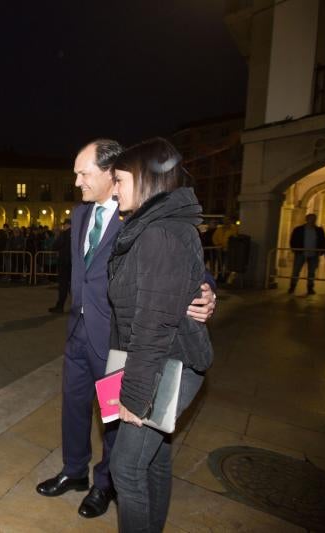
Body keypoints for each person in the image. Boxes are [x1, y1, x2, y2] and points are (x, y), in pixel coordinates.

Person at [35, 139, 215, 520]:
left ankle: (104, 485)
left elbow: (182, 261)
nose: (78, 181)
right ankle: (74, 472)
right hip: (78, 333)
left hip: (119, 340)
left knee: (116, 421)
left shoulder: (142, 212)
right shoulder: (81, 215)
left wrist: (207, 291)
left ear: (108, 172)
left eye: (84, 173)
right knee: (74, 408)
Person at [107, 137, 214, 532]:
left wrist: (135, 397)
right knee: (153, 460)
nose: (114, 188)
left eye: (119, 179)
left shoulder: (160, 233)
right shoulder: (155, 227)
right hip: (152, 361)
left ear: (146, 179)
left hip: (164, 364)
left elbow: (153, 324)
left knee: (126, 469)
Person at [288, 213, 325, 295]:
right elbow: (293, 239)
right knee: (296, 270)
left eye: (314, 219)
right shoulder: (299, 229)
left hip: (314, 254)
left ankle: (310, 288)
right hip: (301, 253)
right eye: (310, 219)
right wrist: (294, 249)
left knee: (312, 272)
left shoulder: (319, 230)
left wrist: (321, 251)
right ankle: (292, 287)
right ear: (306, 219)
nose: (312, 220)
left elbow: (323, 240)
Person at [48, 219, 72, 313]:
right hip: (73, 263)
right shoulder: (76, 233)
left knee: (63, 285)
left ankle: (60, 306)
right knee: (72, 285)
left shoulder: (64, 234)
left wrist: (57, 237)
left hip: (64, 263)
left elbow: (55, 246)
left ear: (67, 225)